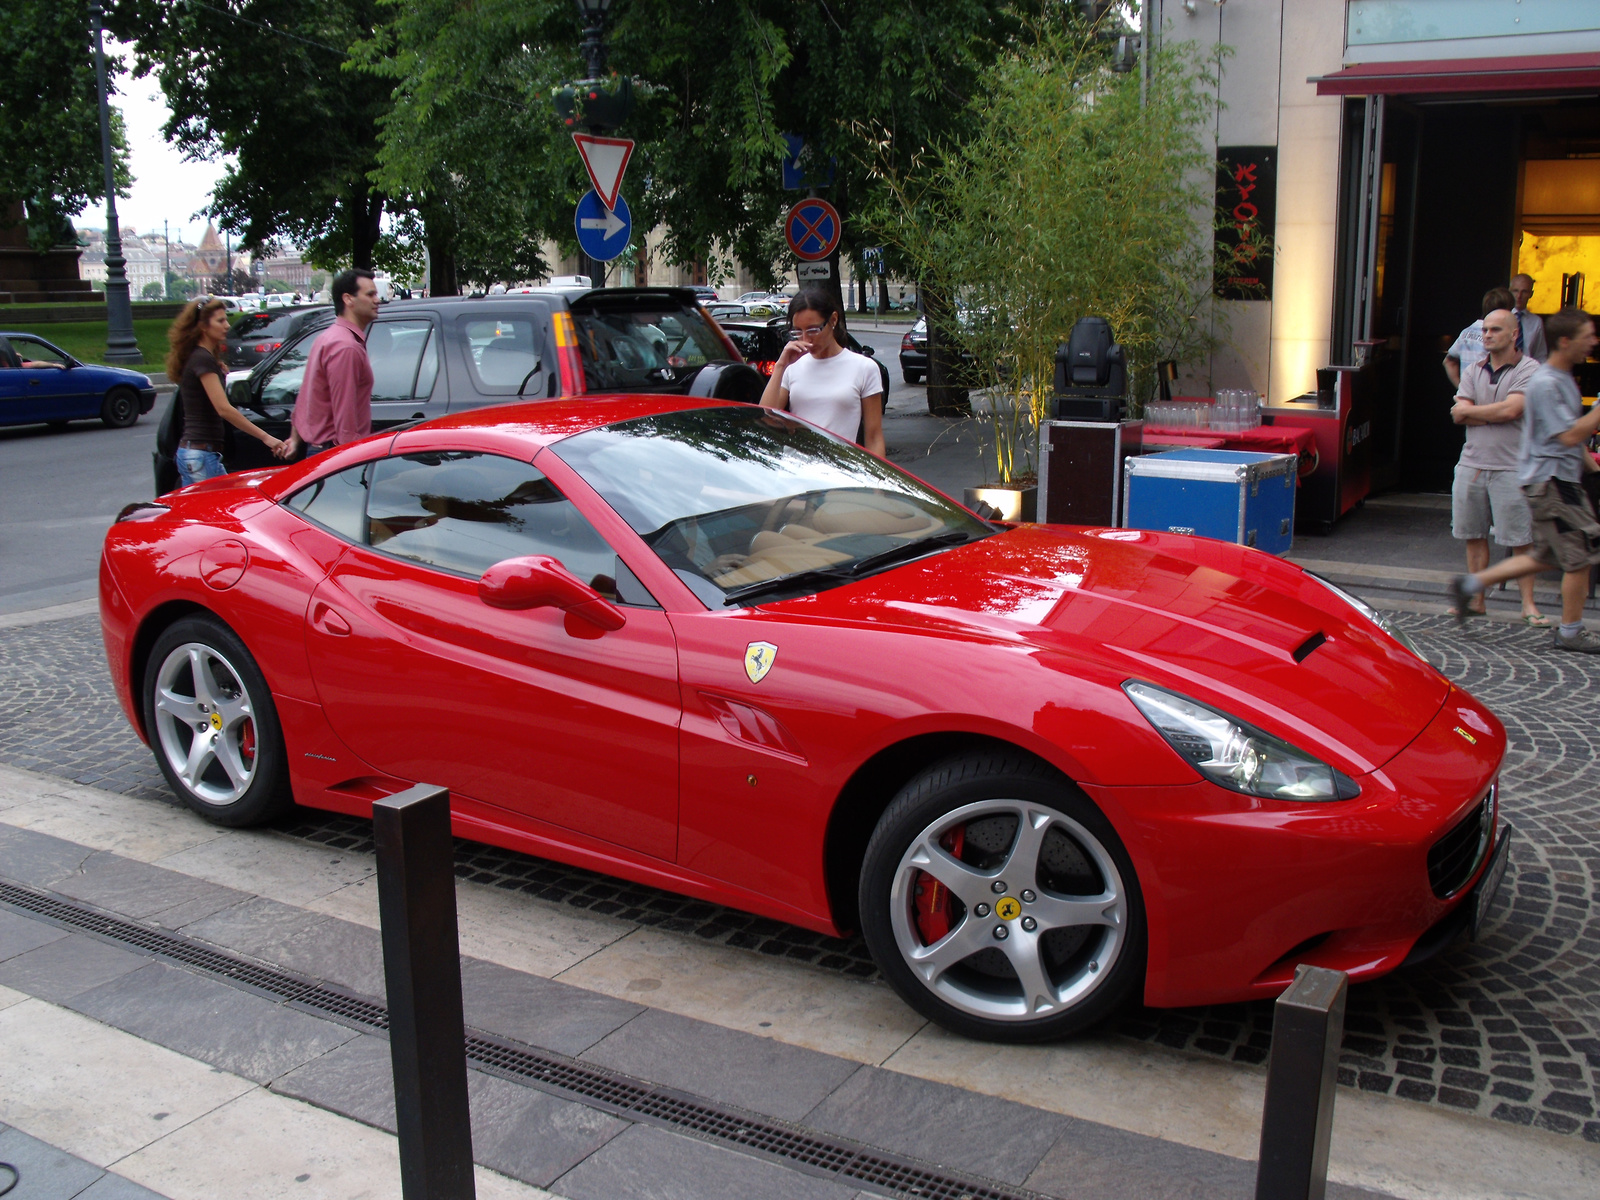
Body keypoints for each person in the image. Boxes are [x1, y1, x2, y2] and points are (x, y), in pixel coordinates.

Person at [1451, 309, 1600, 652]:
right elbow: (1567, 434)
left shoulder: (1549, 376)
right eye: (1587, 336)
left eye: (1495, 329)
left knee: (1546, 553)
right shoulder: (1546, 381)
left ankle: (1471, 585)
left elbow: (1492, 412)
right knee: (1580, 554)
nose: (1593, 342)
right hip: (1552, 482)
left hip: (1549, 478)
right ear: (1565, 341)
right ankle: (1571, 630)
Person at [1448, 308, 1548, 625]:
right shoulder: (1474, 369)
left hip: (1512, 467)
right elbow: (1457, 414)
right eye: (1486, 330)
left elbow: (1512, 411)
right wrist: (1493, 410)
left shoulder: (1531, 369)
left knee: (1520, 541)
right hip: (1472, 463)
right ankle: (1477, 601)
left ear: (1514, 334)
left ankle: (1528, 605)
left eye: (1495, 330)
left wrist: (1476, 411)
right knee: (1473, 536)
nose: (1487, 335)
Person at [164, 298, 286, 486]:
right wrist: (266, 438)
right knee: (208, 513)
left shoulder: (201, 358)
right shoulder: (202, 360)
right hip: (201, 455)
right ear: (203, 326)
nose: (227, 325)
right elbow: (223, 409)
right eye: (220, 321)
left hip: (202, 454)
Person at [759, 288, 885, 456]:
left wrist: (877, 480)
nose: (806, 339)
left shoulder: (863, 367)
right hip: (795, 472)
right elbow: (766, 420)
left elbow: (874, 437)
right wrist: (781, 366)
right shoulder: (792, 368)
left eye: (813, 330)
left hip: (839, 471)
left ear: (833, 320)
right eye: (798, 331)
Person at [282, 268, 378, 459]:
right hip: (334, 454)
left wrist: (295, 438)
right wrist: (351, 462)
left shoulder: (328, 338)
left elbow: (306, 397)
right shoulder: (346, 347)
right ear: (348, 299)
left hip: (322, 451)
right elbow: (345, 416)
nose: (377, 300)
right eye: (370, 294)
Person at [1444, 287, 1515, 388]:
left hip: (1468, 398)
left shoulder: (1465, 332)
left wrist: (1461, 389)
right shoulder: (1497, 337)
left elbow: (1448, 361)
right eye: (1511, 310)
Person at [1509, 274, 1549, 363]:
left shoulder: (1536, 322)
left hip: (1527, 372)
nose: (1519, 296)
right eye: (1515, 291)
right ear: (1510, 291)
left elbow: (1540, 355)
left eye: (1524, 292)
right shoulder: (1500, 317)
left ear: (1531, 294)